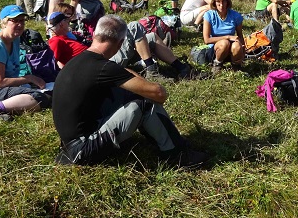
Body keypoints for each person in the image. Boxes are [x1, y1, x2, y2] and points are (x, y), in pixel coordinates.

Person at [52, 15, 208, 167]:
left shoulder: (78, 61)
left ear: (95, 35)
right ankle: (178, 155)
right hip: (82, 150)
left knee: (126, 93)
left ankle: (162, 138)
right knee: (145, 102)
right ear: (120, 44)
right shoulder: (104, 68)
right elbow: (159, 93)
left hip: (69, 145)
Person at [111, 19, 192, 81]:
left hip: (113, 50)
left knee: (152, 37)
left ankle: (182, 68)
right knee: (134, 27)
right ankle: (152, 71)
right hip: (108, 61)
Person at [202, 0, 245, 75]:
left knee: (237, 45)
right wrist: (227, 37)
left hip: (232, 48)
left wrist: (243, 49)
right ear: (214, 2)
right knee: (224, 43)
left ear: (227, 2)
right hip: (215, 48)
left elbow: (240, 36)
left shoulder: (236, 16)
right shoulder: (209, 15)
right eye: (218, 2)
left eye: (223, 2)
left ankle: (236, 66)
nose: (221, 5)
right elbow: (206, 40)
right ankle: (217, 64)